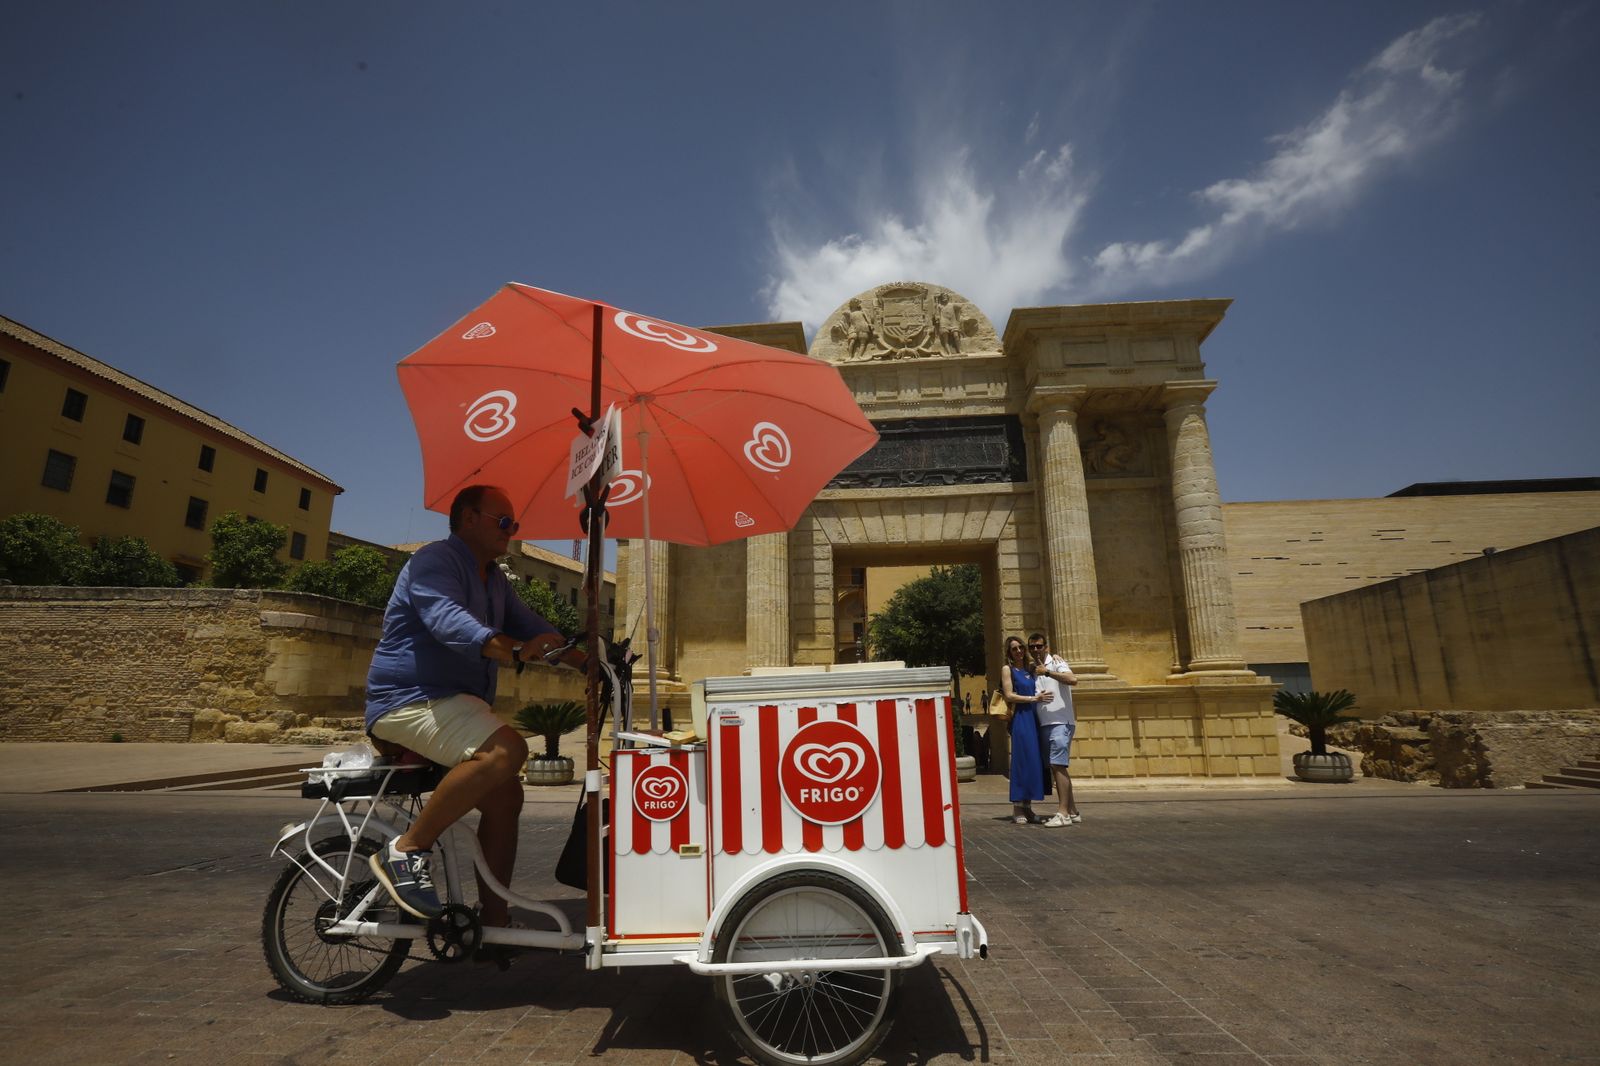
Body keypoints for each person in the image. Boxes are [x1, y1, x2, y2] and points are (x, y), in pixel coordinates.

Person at [365, 485, 584, 926]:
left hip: (451, 703)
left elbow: (534, 627)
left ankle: (494, 921)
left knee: (506, 799)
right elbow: (448, 620)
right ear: (468, 518)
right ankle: (406, 851)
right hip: (409, 700)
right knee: (507, 751)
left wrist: (587, 659)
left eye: (514, 525)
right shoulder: (433, 561)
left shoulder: (495, 581)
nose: (511, 531)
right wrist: (516, 651)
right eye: (504, 522)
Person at [1028, 632, 1080, 827]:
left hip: (1061, 722)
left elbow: (1073, 680)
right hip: (1044, 724)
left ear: (1046, 647)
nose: (1035, 650)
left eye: (1039, 646)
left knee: (1058, 765)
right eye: (1032, 647)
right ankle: (1073, 811)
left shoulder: (1057, 662)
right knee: (1056, 767)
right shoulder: (1032, 669)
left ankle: (1063, 813)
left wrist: (1047, 672)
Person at [999, 635, 1052, 824]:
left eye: (1021, 647)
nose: (1019, 651)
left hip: (1035, 718)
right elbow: (1009, 695)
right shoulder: (1008, 669)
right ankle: (1017, 809)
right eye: (1014, 649)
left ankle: (1028, 808)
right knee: (1021, 761)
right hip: (1021, 719)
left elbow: (1048, 666)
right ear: (1009, 652)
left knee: (1033, 762)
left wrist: (1058, 657)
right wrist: (1032, 699)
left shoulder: (1030, 668)